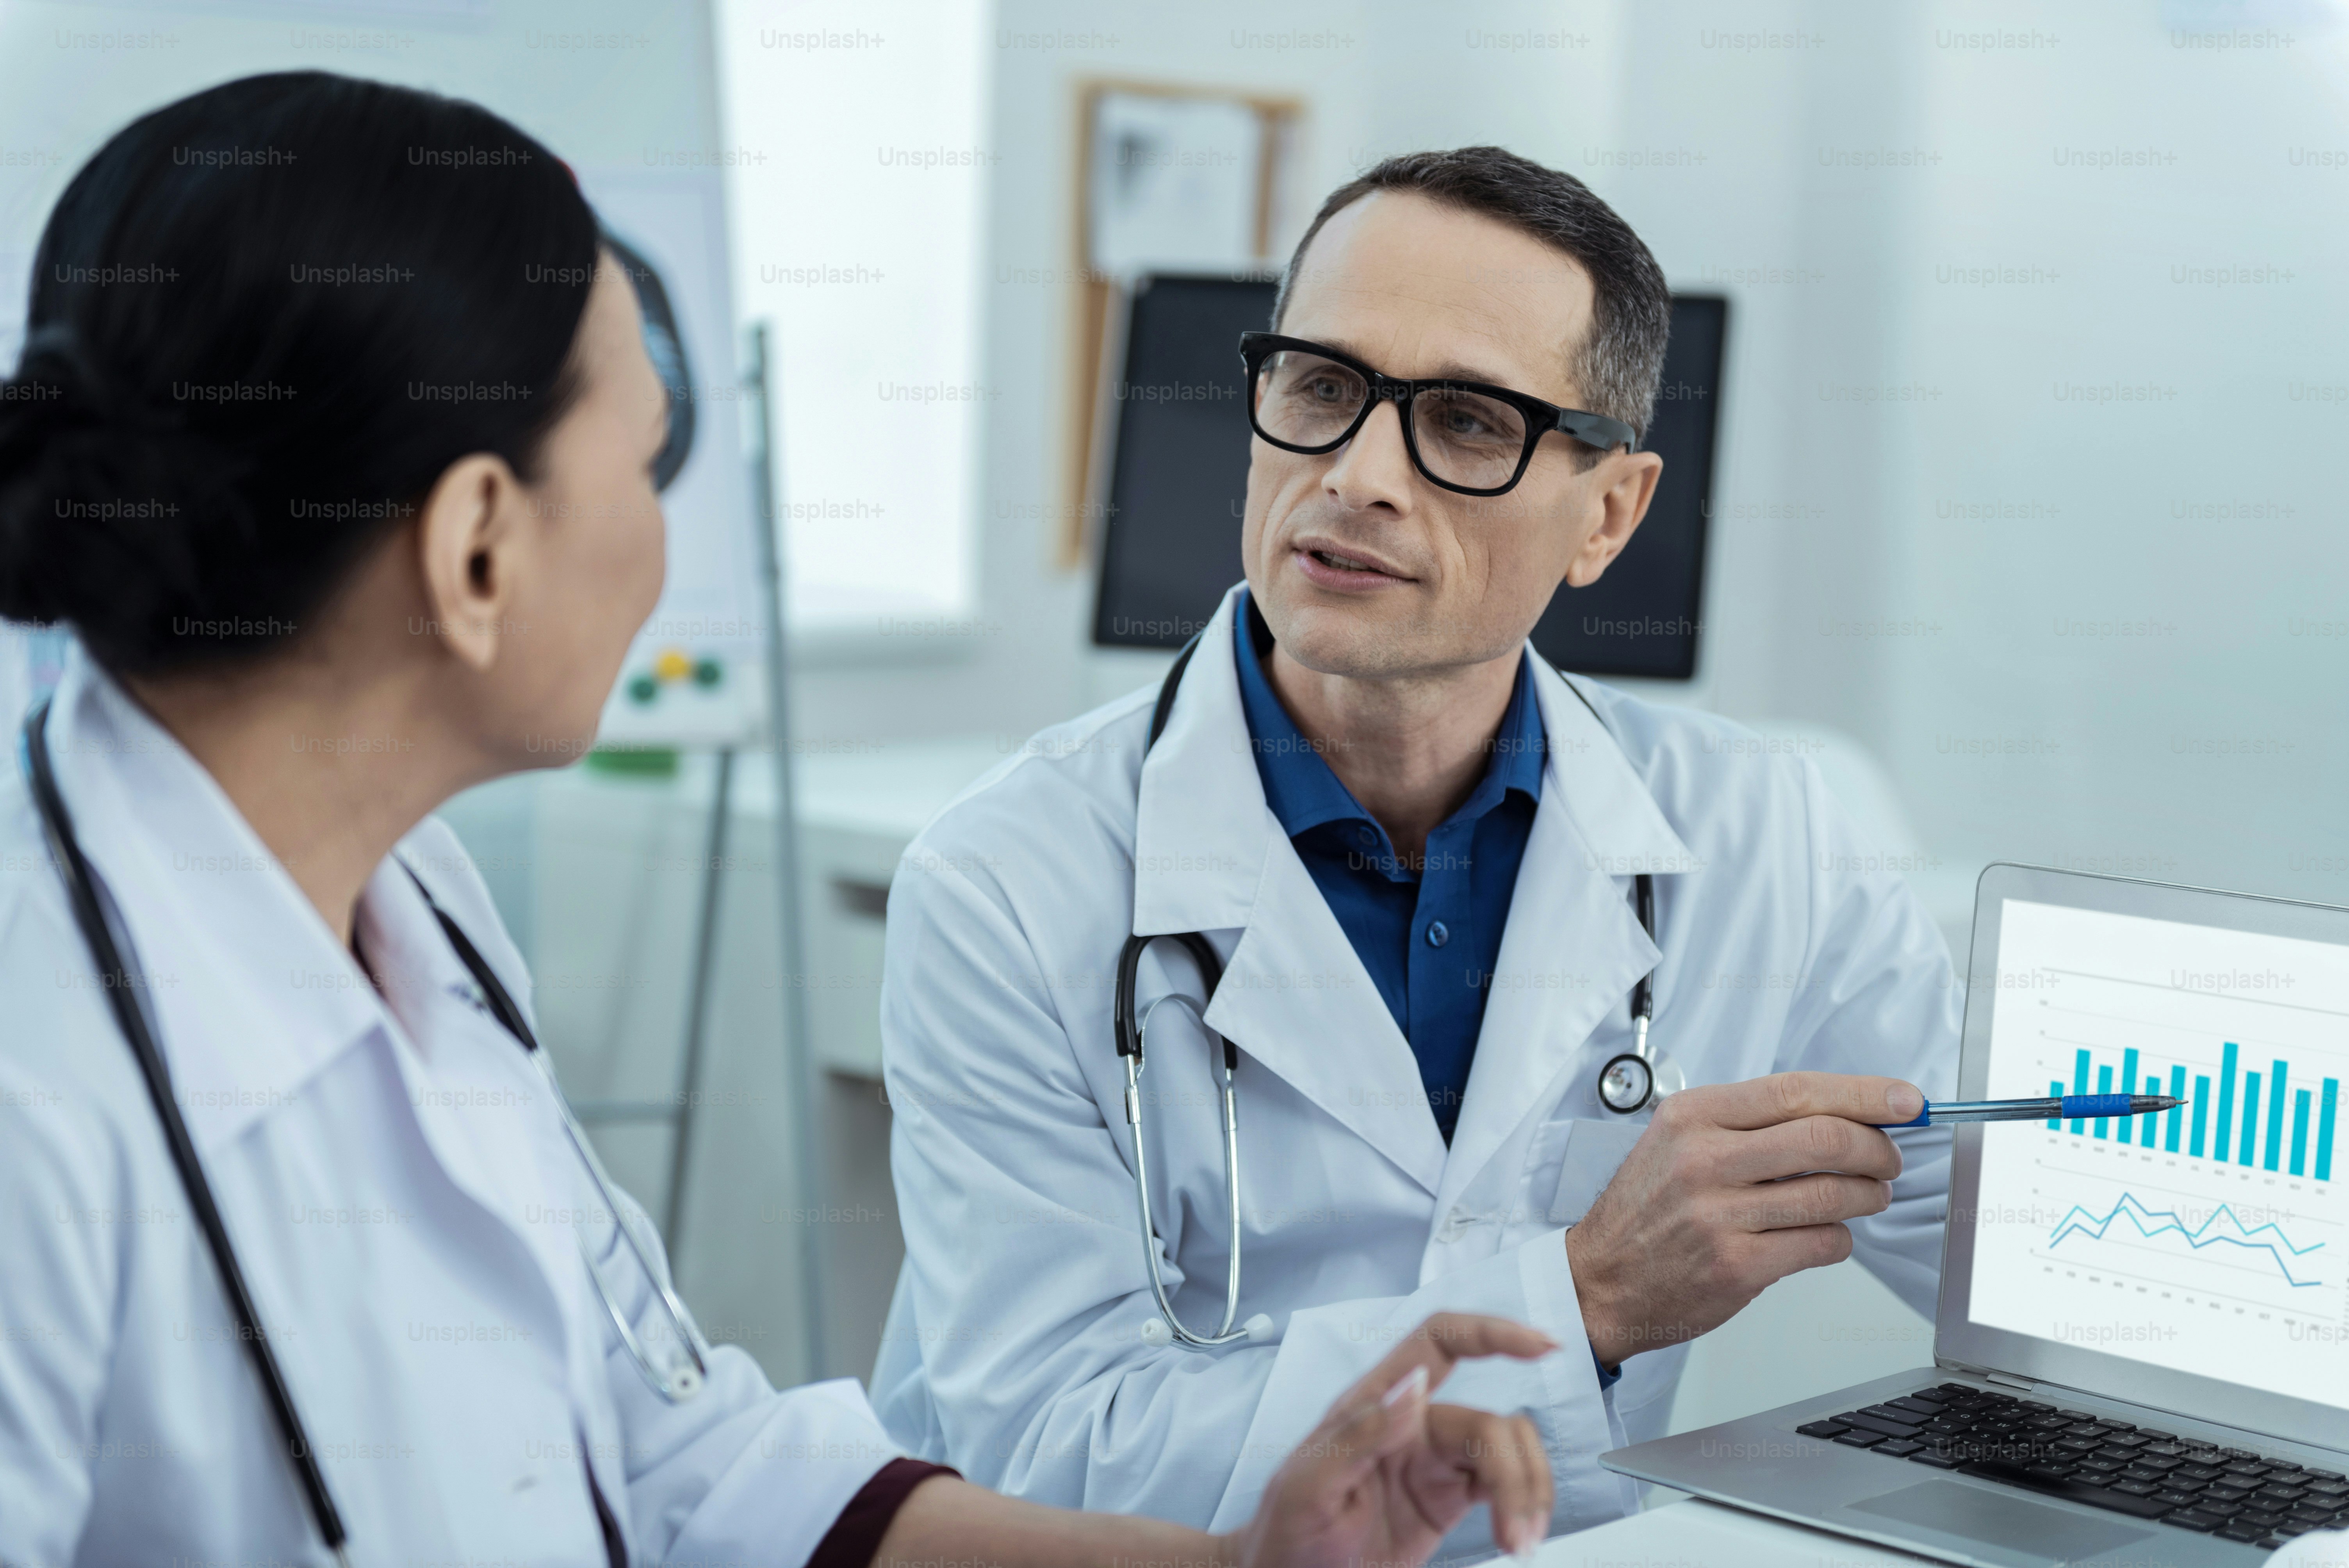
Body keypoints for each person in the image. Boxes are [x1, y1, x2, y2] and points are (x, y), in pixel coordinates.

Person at [0, 73, 1560, 1568]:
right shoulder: (35, 1082)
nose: (666, 549)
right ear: (478, 546)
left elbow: (684, 1464)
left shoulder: (416, 901)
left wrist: (1232, 1560)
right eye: (644, 466)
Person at [872, 147, 1961, 1554]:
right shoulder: (1004, 882)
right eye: (1322, 390)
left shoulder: (1764, 835)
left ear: (1611, 514)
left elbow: (2007, 1258)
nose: (1360, 475)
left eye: (1463, 421)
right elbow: (1060, 1457)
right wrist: (1586, 1301)